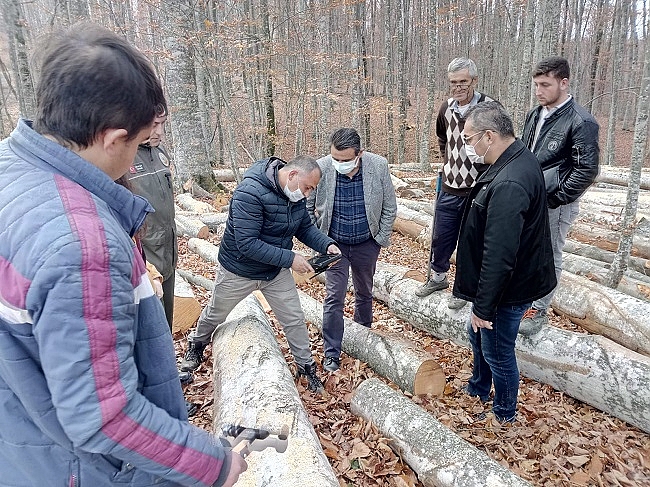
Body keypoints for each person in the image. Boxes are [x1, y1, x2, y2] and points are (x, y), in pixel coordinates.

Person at [0, 23, 245, 486]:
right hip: (80, 470)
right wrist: (210, 463)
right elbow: (103, 415)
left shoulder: (10, 168)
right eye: (135, 143)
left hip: (24, 447)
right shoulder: (82, 246)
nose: (134, 160)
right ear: (112, 138)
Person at [180, 155, 340, 392]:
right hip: (239, 269)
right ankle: (197, 345)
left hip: (274, 272)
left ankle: (306, 367)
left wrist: (326, 245)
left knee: (294, 319)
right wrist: (291, 259)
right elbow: (247, 243)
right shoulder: (249, 192)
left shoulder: (294, 196)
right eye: (307, 187)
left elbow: (304, 228)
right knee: (215, 313)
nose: (307, 194)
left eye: (311, 190)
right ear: (293, 174)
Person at [452, 101, 556, 423]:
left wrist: (484, 307)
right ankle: (478, 388)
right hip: (502, 283)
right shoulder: (512, 159)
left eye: (469, 139)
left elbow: (500, 255)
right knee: (477, 336)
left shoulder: (510, 181)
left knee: (497, 350)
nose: (467, 146)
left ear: (489, 136)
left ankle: (503, 413)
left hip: (508, 289)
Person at [518, 56, 600, 336]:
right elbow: (526, 152)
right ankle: (524, 298)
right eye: (536, 85)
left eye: (545, 85)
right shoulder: (535, 114)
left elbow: (587, 169)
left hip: (556, 202)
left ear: (564, 83)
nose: (538, 91)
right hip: (530, 196)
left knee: (549, 253)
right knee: (526, 248)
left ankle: (539, 309)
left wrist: (556, 198)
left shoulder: (581, 121)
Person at [307, 128, 397, 372]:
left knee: (364, 292)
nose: (339, 163)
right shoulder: (322, 167)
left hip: (367, 243)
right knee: (333, 297)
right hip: (333, 246)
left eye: (345, 160)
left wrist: (379, 239)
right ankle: (331, 353)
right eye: (335, 158)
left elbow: (390, 206)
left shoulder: (378, 166)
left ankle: (362, 337)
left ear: (360, 154)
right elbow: (307, 207)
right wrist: (319, 241)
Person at [416, 57, 495, 310]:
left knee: (470, 241)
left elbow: (501, 143)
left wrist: (486, 172)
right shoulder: (446, 108)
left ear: (474, 81)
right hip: (450, 185)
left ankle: (464, 289)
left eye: (463, 82)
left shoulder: (489, 108)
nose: (458, 87)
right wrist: (448, 160)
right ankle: (438, 278)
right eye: (453, 82)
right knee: (441, 236)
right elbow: (443, 137)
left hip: (478, 188)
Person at [126, 107, 177, 330]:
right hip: (144, 256)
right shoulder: (123, 155)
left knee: (167, 321)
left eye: (163, 124)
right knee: (151, 327)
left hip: (168, 251)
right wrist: (145, 266)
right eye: (154, 125)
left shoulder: (159, 152)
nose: (160, 132)